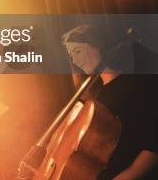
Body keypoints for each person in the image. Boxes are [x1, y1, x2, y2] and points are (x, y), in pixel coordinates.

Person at [62, 24, 158, 179]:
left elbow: (153, 144)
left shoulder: (136, 85)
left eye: (77, 51)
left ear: (98, 45)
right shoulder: (96, 99)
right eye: (71, 55)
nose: (75, 60)